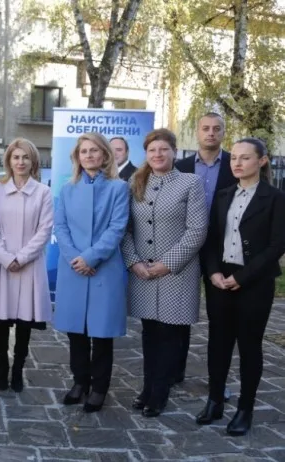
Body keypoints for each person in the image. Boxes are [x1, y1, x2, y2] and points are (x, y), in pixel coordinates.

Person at [195, 138, 285, 436]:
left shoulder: (275, 198)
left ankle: (245, 409)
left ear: (262, 161)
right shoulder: (223, 195)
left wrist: (242, 277)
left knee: (249, 346)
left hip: (254, 282)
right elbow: (211, 239)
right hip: (220, 279)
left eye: (245, 158)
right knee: (218, 343)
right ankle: (214, 401)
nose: (237, 163)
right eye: (234, 157)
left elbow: (277, 245)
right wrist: (213, 272)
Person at [122, 128, 207, 417]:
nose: (158, 154)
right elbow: (126, 229)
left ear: (174, 152)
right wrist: (134, 262)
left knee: (169, 335)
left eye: (163, 149)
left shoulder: (190, 183)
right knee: (149, 334)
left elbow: (196, 231)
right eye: (152, 150)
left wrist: (166, 264)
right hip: (143, 273)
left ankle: (159, 394)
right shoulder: (136, 181)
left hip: (176, 274)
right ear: (146, 154)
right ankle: (147, 388)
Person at [53, 133, 129, 413]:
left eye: (94, 150)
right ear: (77, 156)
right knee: (76, 332)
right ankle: (79, 382)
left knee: (102, 333)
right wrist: (76, 258)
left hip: (103, 268)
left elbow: (117, 228)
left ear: (105, 154)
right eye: (84, 151)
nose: (89, 155)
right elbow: (60, 227)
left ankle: (99, 388)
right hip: (73, 268)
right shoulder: (67, 189)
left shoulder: (119, 188)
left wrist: (91, 257)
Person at [0, 138, 53, 393]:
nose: (20, 162)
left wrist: (22, 257)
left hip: (29, 264)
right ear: (9, 161)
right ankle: (2, 368)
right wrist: (6, 257)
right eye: (16, 157)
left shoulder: (43, 192)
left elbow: (44, 230)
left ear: (33, 161)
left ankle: (18, 369)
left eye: (25, 157)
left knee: (24, 321)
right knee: (1, 318)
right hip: (2, 264)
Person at [174, 112, 236, 390]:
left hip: (223, 251)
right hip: (185, 247)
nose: (211, 133)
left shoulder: (235, 164)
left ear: (223, 132)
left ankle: (217, 380)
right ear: (197, 132)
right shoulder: (181, 167)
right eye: (206, 128)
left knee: (220, 318)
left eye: (216, 128)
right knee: (178, 315)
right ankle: (175, 371)